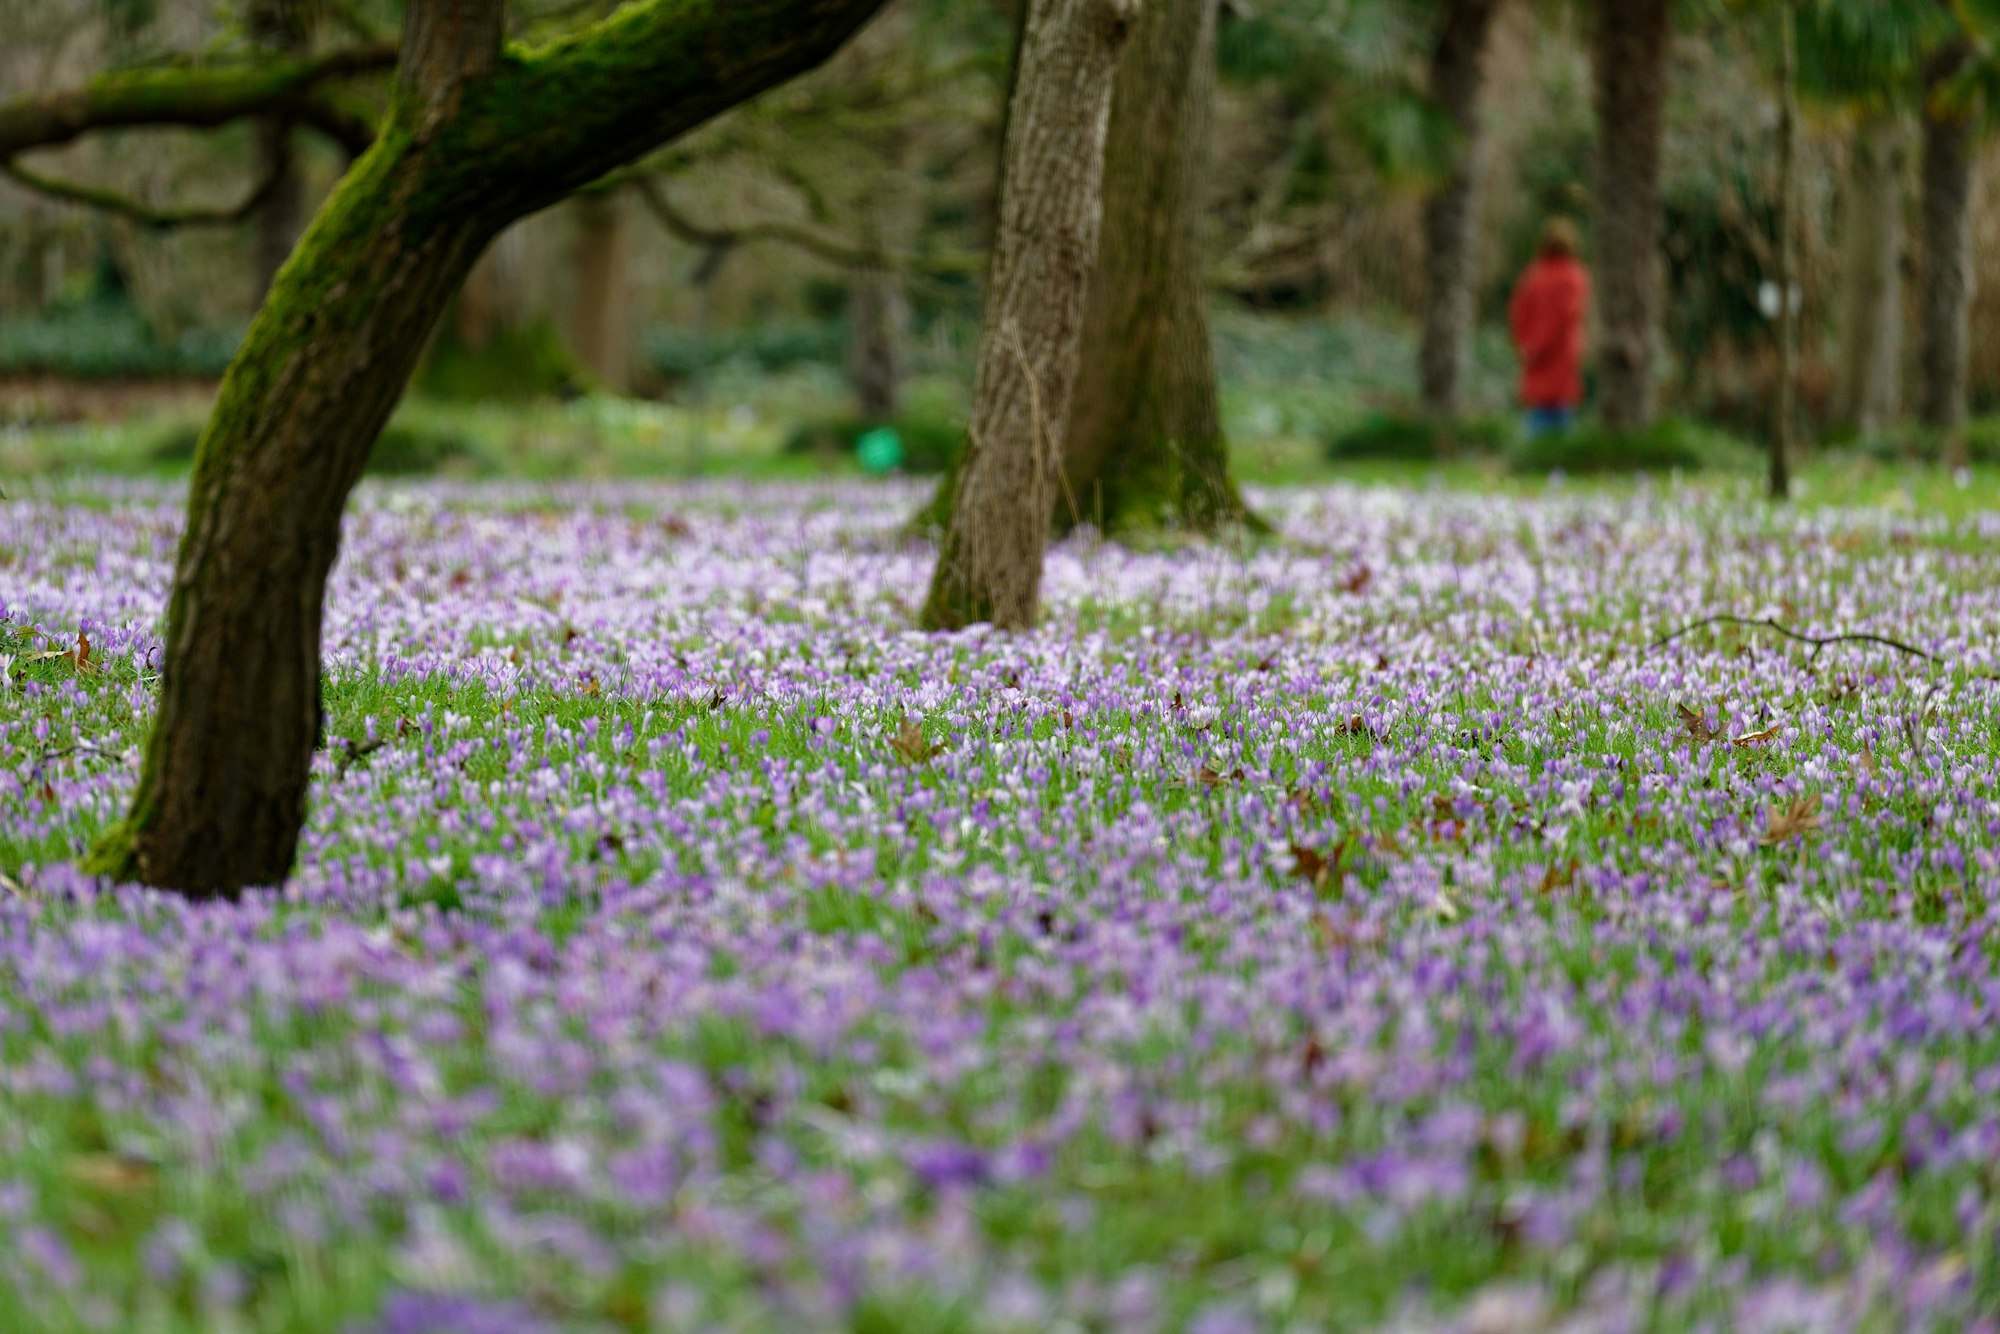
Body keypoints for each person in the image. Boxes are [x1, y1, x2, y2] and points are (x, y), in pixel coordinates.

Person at [1508, 218, 1590, 437]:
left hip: (1537, 357)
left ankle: (1532, 460)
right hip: (1563, 355)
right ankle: (1559, 462)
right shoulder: (1575, 276)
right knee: (1562, 417)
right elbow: (1568, 317)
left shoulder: (1534, 276)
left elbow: (1518, 314)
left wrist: (1527, 346)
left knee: (1537, 415)